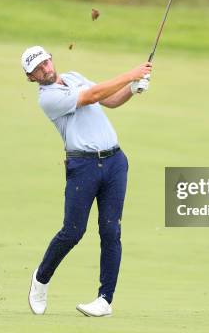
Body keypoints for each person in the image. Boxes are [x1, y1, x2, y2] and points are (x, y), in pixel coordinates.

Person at [23, 45, 151, 317]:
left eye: (45, 62)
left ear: (51, 60)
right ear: (31, 77)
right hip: (83, 166)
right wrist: (131, 74)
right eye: (37, 69)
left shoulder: (73, 76)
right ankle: (41, 280)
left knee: (111, 232)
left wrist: (132, 89)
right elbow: (92, 96)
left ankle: (105, 300)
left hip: (115, 162)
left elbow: (110, 100)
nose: (45, 69)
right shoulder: (47, 98)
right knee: (72, 232)